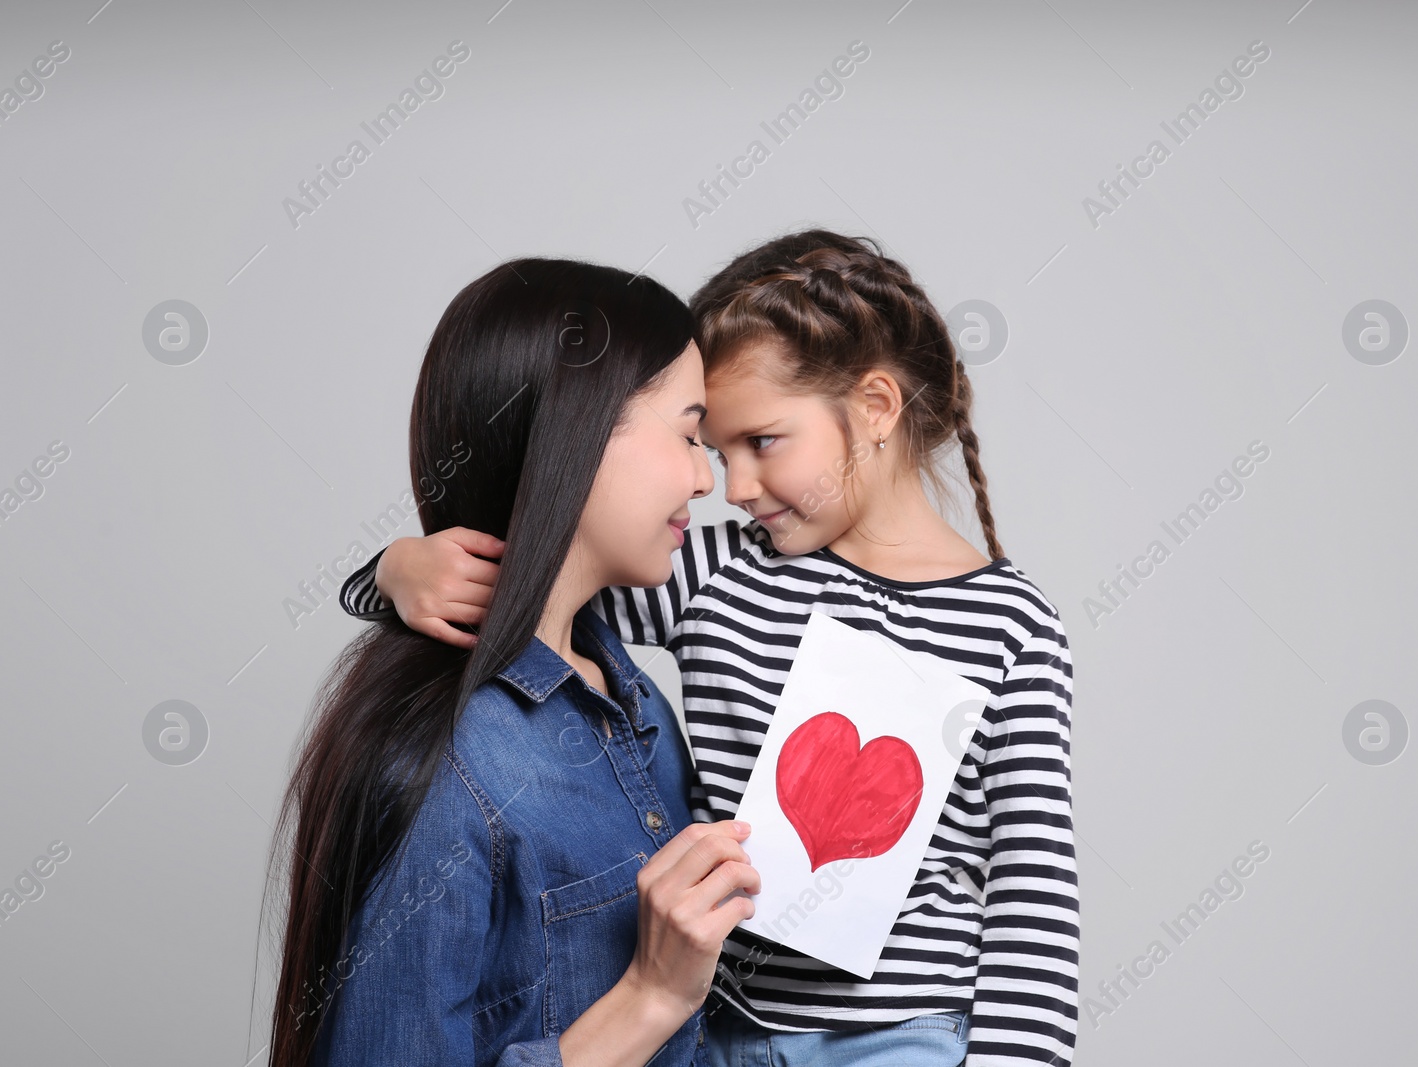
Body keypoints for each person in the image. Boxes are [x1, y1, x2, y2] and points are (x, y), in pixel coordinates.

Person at [340, 231, 1078, 1066]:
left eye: (762, 442)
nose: (732, 487)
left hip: (896, 1039)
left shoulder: (1013, 625)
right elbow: (542, 571)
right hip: (715, 1029)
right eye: (712, 447)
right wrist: (392, 570)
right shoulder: (713, 572)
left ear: (875, 408)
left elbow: (1033, 893)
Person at [265, 257, 760, 1067]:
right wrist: (652, 997)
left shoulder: (638, 708)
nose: (709, 478)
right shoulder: (454, 763)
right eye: (688, 432)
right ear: (580, 428)